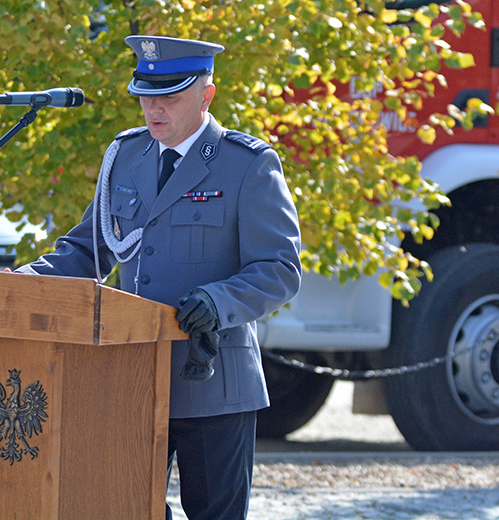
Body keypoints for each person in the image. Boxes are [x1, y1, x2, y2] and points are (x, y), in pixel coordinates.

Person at [16, 35, 302, 519]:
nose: (154, 107)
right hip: (132, 376)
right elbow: (88, 249)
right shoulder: (126, 157)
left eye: (169, 95)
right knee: (122, 505)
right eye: (146, 94)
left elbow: (279, 268)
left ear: (206, 95)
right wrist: (19, 283)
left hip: (211, 381)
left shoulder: (245, 165)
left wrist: (218, 301)